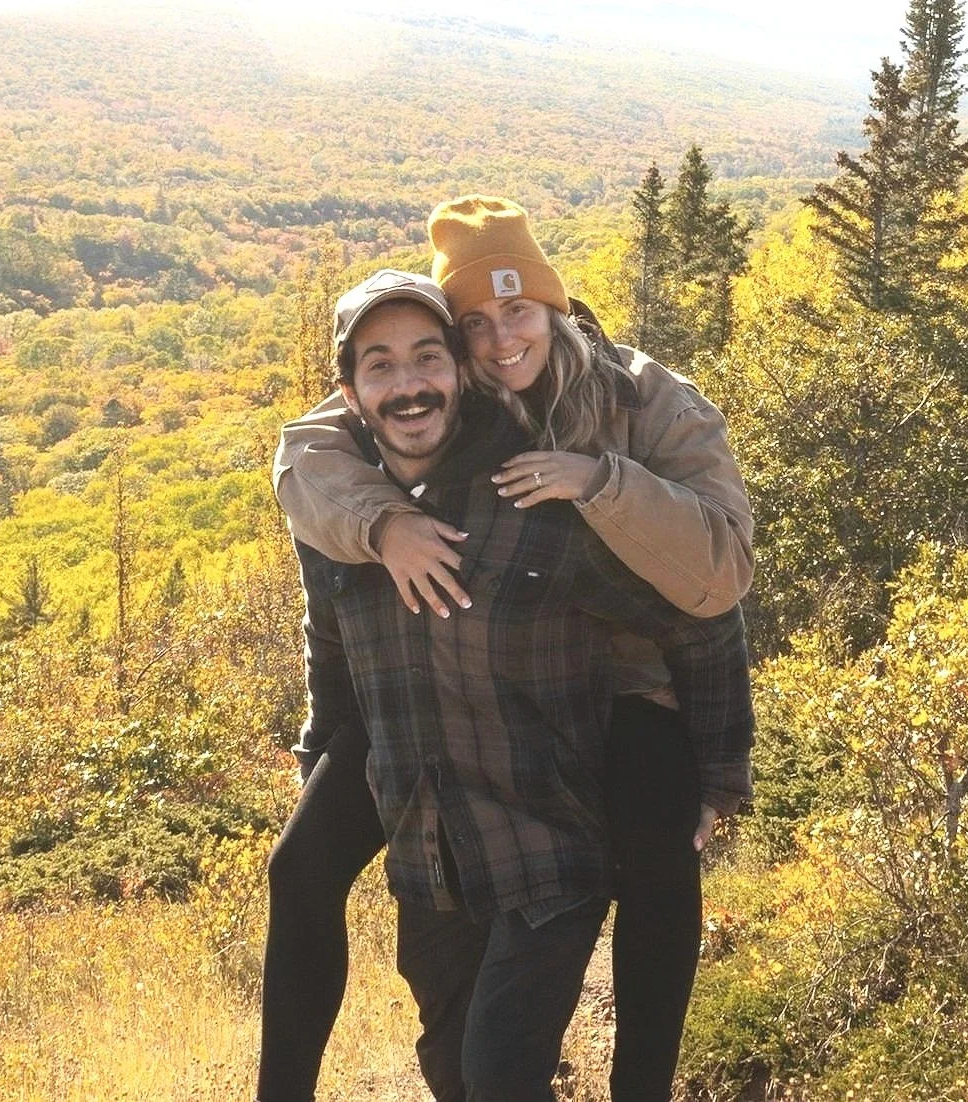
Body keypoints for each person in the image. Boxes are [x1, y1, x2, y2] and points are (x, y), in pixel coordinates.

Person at [261, 198, 755, 1101]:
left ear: (556, 308)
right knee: (302, 867)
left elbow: (712, 592)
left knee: (655, 842)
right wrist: (381, 525)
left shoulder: (644, 400)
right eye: (475, 326)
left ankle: (639, 1085)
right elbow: (305, 471)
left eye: (517, 311)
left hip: (628, 676)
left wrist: (600, 481)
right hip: (459, 681)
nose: (498, 343)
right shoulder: (431, 415)